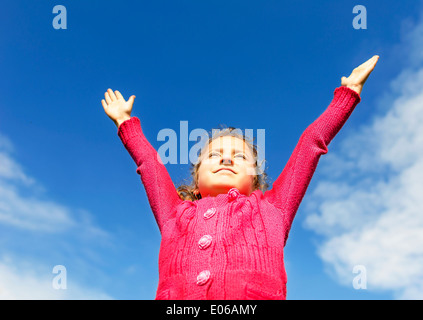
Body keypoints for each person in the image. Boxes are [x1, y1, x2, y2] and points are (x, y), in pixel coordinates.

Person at [101, 55, 379, 299]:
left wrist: (347, 95)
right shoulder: (174, 213)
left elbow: (310, 146)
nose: (226, 158)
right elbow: (149, 164)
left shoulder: (272, 209)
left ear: (255, 179)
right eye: (214, 155)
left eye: (240, 156)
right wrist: (125, 123)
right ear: (196, 179)